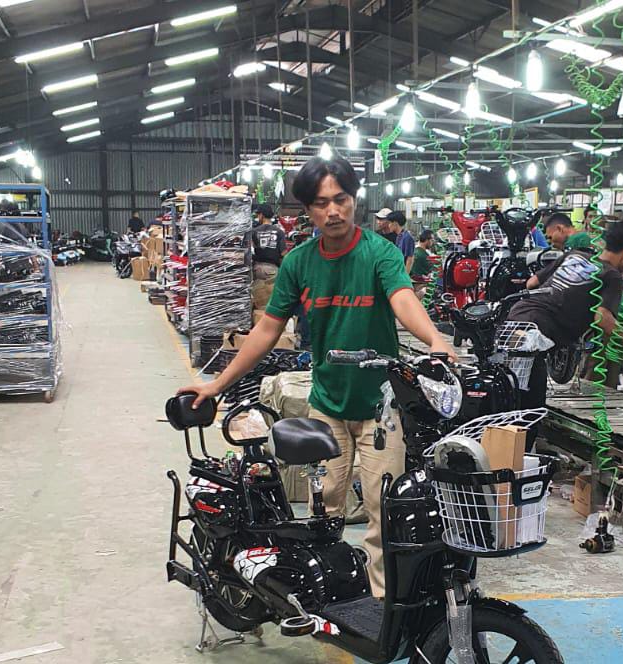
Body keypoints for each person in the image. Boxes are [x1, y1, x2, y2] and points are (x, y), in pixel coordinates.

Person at [179, 155, 455, 598]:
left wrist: (435, 339)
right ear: (307, 210)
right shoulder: (299, 263)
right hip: (327, 405)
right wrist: (216, 384)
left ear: (355, 200)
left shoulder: (380, 253)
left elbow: (403, 298)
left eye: (341, 200)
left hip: (381, 410)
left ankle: (382, 608)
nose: (333, 211)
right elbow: (267, 330)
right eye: (322, 203)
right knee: (323, 507)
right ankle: (325, 598)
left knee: (383, 513)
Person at [508, 218, 623, 435]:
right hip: (536, 336)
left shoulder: (574, 255)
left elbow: (531, 283)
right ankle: (518, 451)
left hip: (514, 321)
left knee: (512, 395)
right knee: (529, 412)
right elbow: (602, 317)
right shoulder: (612, 276)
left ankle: (507, 445)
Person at [251, 203, 286, 282]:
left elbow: (250, 250)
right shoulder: (279, 232)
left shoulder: (254, 231)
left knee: (257, 289)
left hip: (257, 269)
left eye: (258, 215)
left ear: (261, 215)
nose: (258, 217)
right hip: (272, 270)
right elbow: (283, 253)